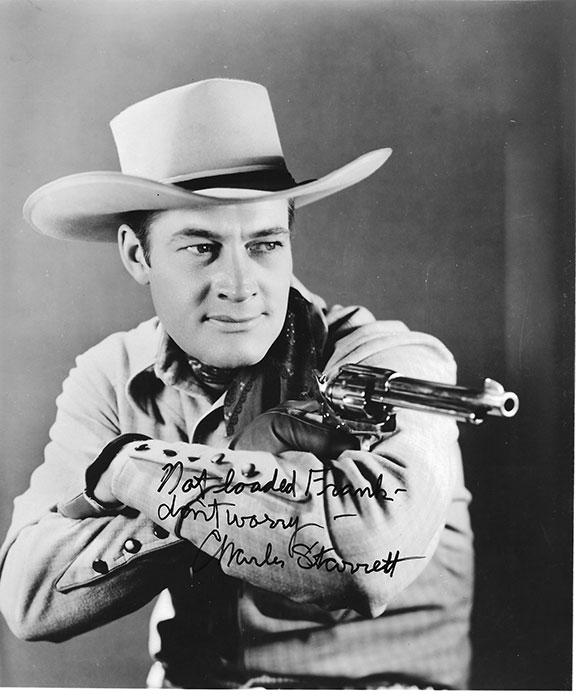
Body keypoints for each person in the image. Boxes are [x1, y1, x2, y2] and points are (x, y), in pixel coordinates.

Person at [0, 79, 473, 690]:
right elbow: (30, 599)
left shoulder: (395, 363)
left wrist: (132, 472)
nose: (241, 284)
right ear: (138, 255)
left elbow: (364, 563)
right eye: (202, 247)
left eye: (265, 244)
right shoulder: (112, 376)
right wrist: (241, 473)